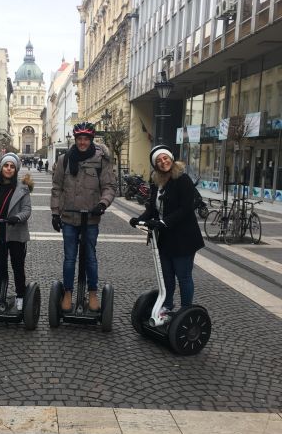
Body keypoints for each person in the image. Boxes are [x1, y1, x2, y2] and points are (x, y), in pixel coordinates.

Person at [129, 144, 204, 322]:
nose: (163, 162)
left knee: (183, 276)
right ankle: (168, 306)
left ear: (171, 158)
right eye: (159, 160)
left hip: (183, 238)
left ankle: (186, 312)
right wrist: (139, 219)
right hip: (165, 238)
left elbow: (185, 209)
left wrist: (163, 222)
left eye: (165, 158)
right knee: (167, 276)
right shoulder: (157, 182)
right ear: (155, 165)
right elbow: (153, 208)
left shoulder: (183, 180)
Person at [50, 122, 116, 311]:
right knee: (70, 258)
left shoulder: (101, 160)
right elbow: (57, 188)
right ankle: (68, 293)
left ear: (91, 140)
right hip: (69, 218)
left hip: (91, 219)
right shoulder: (64, 160)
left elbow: (109, 187)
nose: (82, 142)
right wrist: (55, 213)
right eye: (79, 138)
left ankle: (93, 293)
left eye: (86, 139)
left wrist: (103, 204)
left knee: (90, 258)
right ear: (75, 139)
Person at [0, 152, 33, 311]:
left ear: (16, 169)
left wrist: (17, 218)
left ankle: (20, 296)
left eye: (12, 166)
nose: (9, 169)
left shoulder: (22, 189)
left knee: (18, 266)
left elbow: (27, 210)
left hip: (16, 233)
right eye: (6, 166)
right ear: (1, 168)